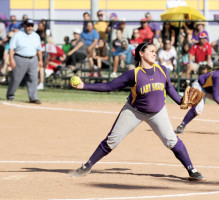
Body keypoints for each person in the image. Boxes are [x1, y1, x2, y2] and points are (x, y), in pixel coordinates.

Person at [70, 42, 205, 182]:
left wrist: (180, 101)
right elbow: (108, 86)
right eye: (151, 51)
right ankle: (87, 166)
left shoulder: (162, 70)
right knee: (112, 140)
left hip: (158, 112)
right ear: (141, 53)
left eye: (155, 51)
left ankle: (192, 170)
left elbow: (169, 87)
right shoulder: (133, 74)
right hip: (134, 111)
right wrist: (84, 86)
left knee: (171, 140)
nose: (154, 53)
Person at [176, 60, 219, 134]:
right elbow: (215, 97)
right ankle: (181, 125)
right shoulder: (218, 76)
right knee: (198, 108)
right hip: (200, 86)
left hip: (212, 90)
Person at [6, 19, 43, 104]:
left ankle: (33, 97)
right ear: (24, 26)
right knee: (16, 79)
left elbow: (39, 50)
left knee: (33, 79)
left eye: (31, 26)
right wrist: (11, 59)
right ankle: (10, 95)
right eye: (28, 26)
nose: (30, 28)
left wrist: (40, 60)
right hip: (20, 58)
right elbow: (11, 48)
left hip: (33, 59)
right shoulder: (18, 35)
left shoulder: (36, 36)